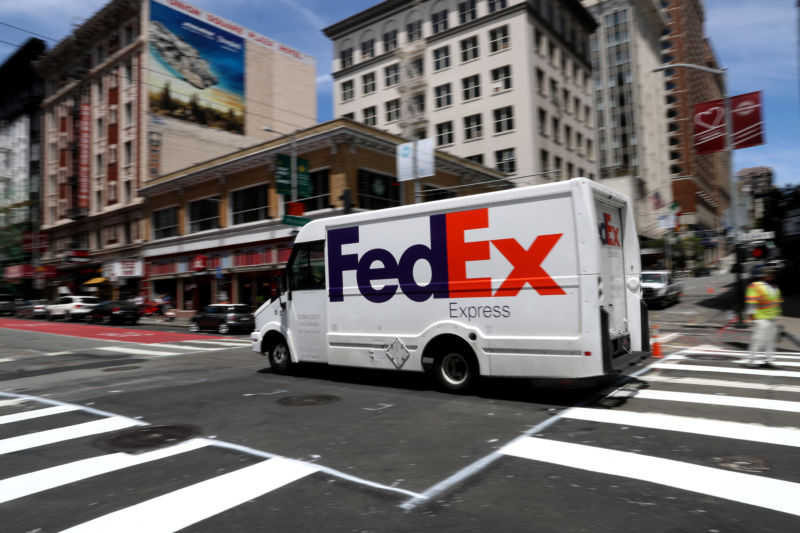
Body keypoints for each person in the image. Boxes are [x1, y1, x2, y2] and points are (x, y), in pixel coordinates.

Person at [739, 265, 782, 367]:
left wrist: (778, 316)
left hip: (772, 318)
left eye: (773, 274)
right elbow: (751, 303)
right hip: (761, 318)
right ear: (764, 275)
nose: (773, 275)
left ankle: (769, 360)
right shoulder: (755, 286)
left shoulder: (775, 288)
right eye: (770, 273)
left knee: (770, 340)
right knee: (758, 339)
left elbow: (777, 303)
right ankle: (750, 360)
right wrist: (751, 317)